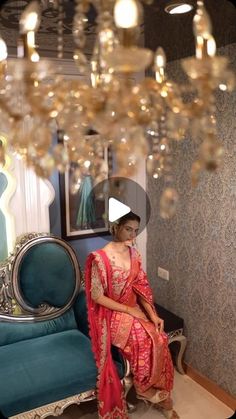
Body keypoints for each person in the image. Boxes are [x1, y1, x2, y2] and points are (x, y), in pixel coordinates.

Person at [85, 212, 179, 419]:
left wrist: (152, 314)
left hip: (133, 307)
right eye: (128, 229)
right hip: (112, 312)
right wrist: (129, 310)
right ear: (115, 227)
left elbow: (140, 287)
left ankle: (160, 392)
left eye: (136, 230)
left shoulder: (134, 254)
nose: (133, 235)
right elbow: (97, 296)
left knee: (160, 337)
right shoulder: (99, 258)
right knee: (141, 340)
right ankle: (147, 390)